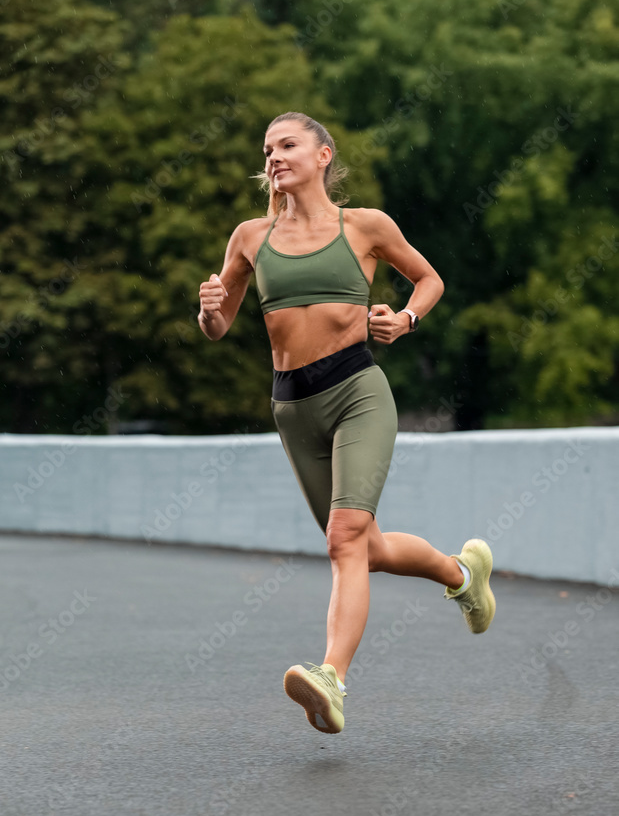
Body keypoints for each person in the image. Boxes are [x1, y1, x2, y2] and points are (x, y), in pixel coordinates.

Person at [198, 111, 495, 736]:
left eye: (287, 144)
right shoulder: (250, 237)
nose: (274, 157)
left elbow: (429, 279)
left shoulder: (365, 226)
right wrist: (208, 310)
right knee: (367, 548)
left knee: (343, 539)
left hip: (357, 390)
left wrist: (406, 320)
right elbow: (219, 327)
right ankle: (463, 574)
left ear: (323, 155)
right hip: (292, 407)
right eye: (268, 149)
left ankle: (331, 677)